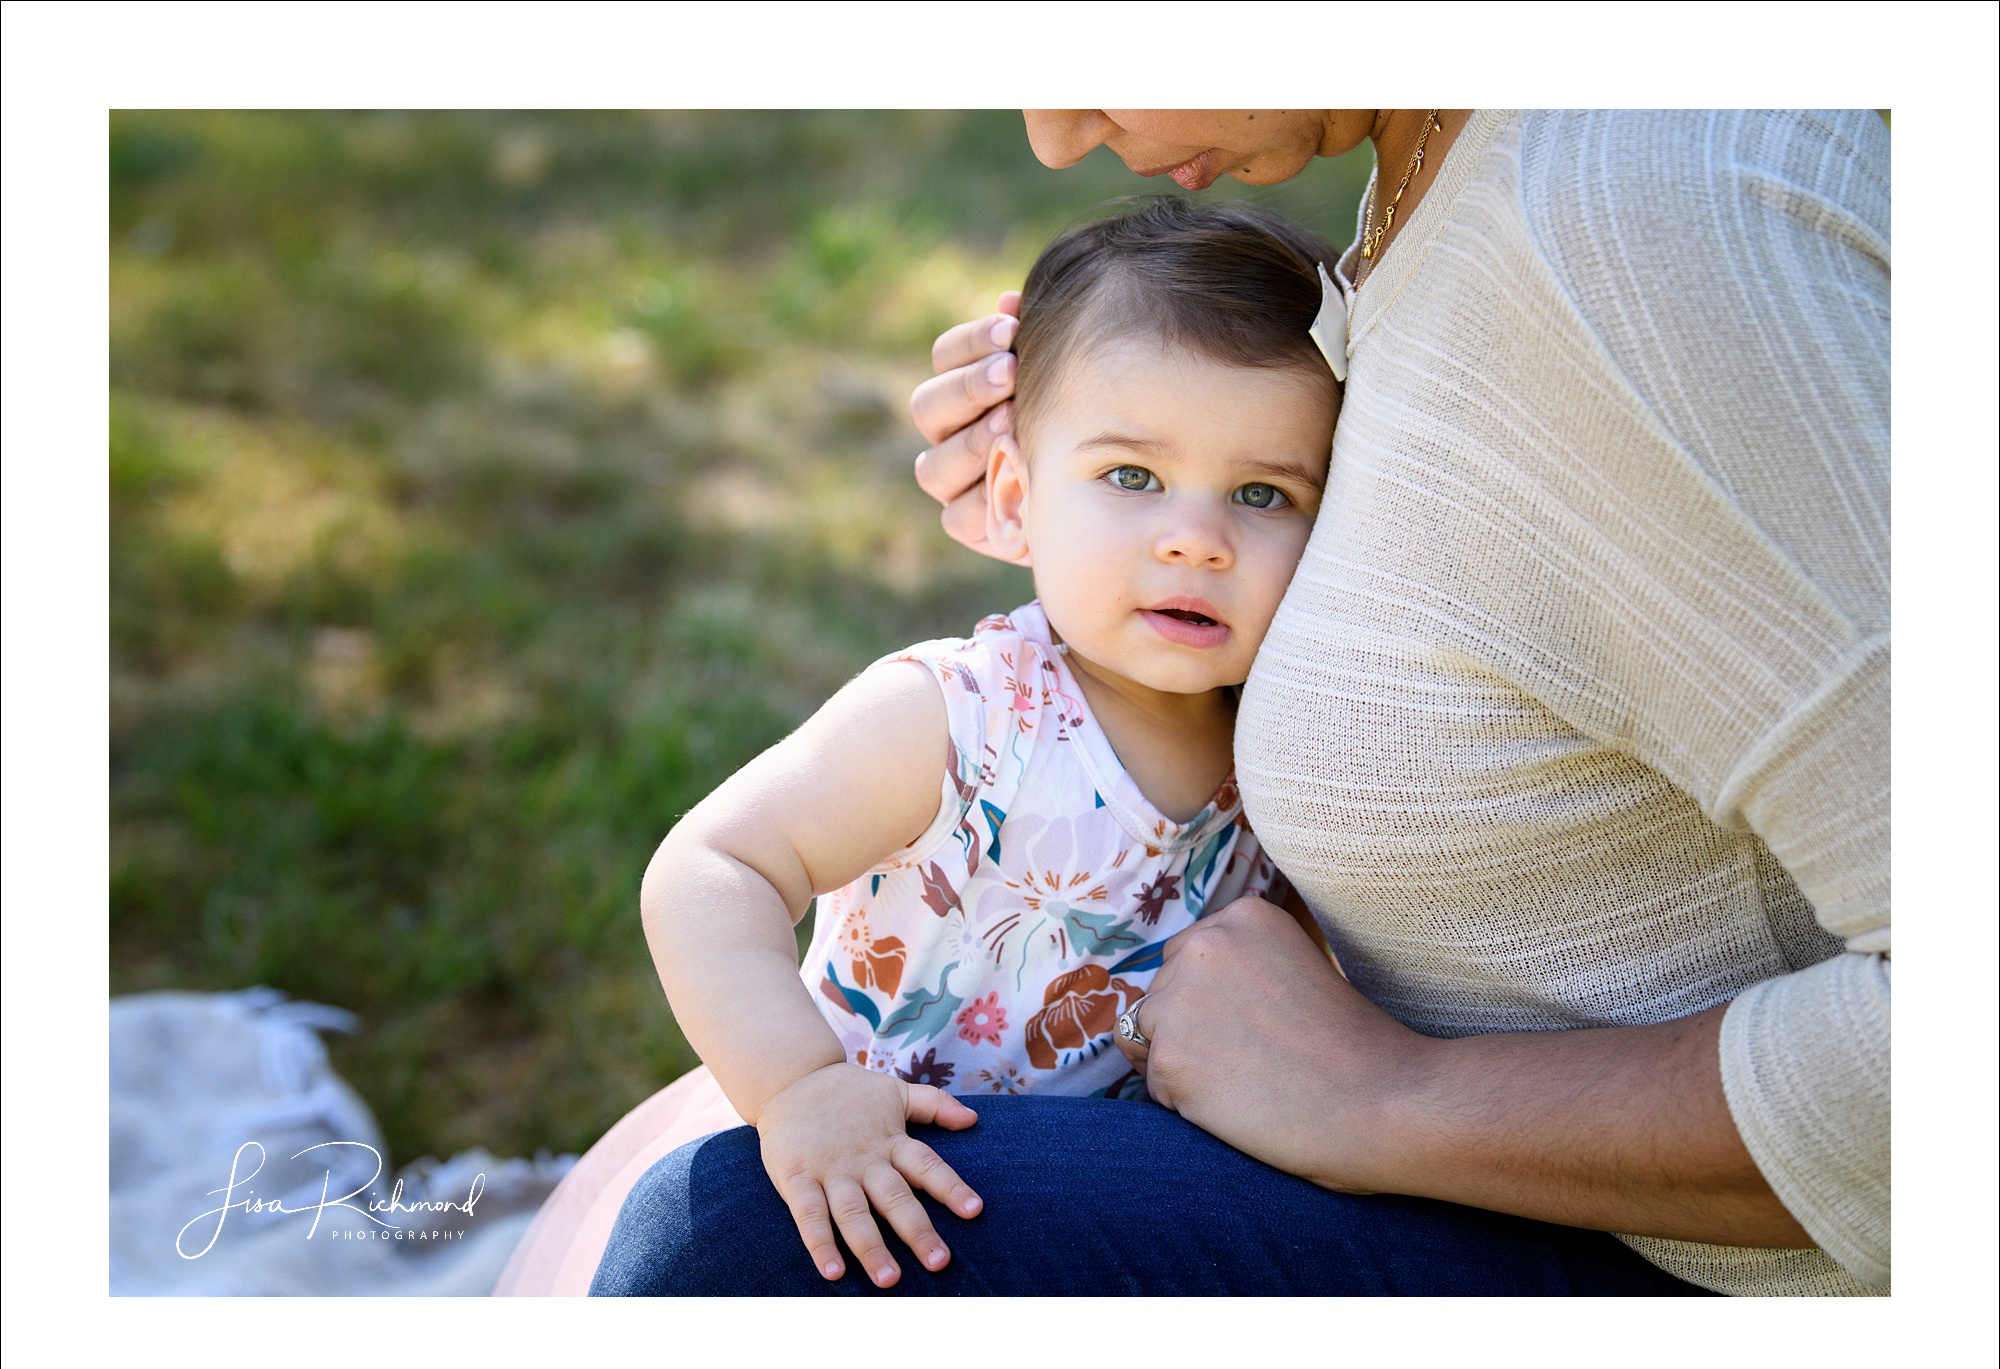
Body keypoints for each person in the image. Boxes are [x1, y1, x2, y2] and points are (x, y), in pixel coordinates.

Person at [551, 109, 1889, 1297]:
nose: (1196, 539)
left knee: (715, 1251)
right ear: (1016, 494)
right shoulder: (963, 714)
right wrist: (801, 1091)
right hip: (899, 1119)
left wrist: (1387, 1095)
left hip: (1678, 1242)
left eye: (1261, 496)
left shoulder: (1645, 240)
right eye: (1131, 476)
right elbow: (713, 862)